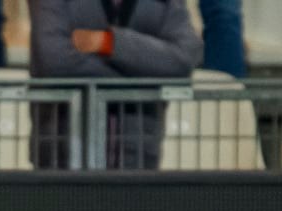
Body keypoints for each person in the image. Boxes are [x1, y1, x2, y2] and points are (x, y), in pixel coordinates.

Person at [29, 0, 201, 169]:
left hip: (137, 157)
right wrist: (145, 73)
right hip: (62, 155)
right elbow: (53, 61)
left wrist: (109, 43)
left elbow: (183, 60)